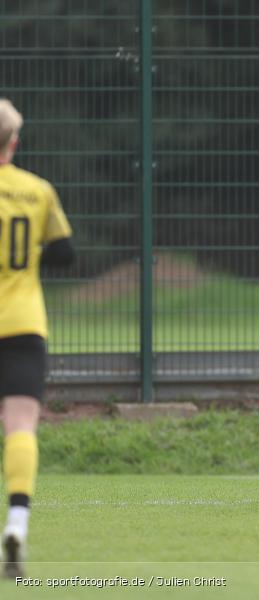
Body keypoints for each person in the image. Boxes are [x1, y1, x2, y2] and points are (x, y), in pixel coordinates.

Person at [0, 98, 75, 578]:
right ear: (14, 141)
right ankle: (18, 523)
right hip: (24, 322)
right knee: (21, 424)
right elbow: (66, 254)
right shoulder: (37, 190)